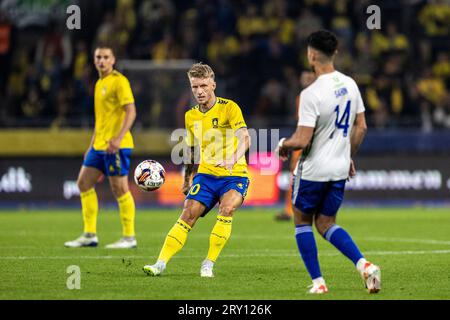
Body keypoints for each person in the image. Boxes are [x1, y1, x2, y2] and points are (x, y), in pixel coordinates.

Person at [275, 30, 381, 294]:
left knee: (302, 222)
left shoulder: (311, 93)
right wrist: (348, 157)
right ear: (335, 52)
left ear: (311, 55)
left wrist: (283, 145)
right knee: (326, 223)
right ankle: (364, 265)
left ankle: (319, 283)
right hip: (337, 169)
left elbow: (302, 138)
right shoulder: (351, 84)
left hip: (312, 170)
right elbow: (362, 127)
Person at [143, 63, 251, 277]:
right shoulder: (190, 116)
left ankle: (208, 263)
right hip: (206, 175)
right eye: (194, 87)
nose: (199, 91)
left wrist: (232, 158)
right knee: (187, 214)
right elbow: (192, 150)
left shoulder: (229, 107)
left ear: (213, 85)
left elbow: (245, 137)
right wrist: (187, 177)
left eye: (203, 85)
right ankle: (160, 264)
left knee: (227, 208)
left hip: (234, 175)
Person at [65, 45, 138, 249]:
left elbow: (131, 112)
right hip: (99, 146)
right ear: (94, 59)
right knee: (83, 183)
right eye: (98, 57)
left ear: (113, 59)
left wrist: (117, 138)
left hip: (117, 145)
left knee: (119, 188)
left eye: (106, 57)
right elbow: (100, 120)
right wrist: (91, 145)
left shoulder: (119, 82)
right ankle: (89, 234)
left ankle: (129, 237)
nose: (102, 60)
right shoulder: (99, 83)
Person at [275, 70, 315, 221]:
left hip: (309, 140)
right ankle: (290, 209)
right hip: (306, 140)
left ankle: (300, 209)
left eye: (309, 78)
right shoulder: (302, 97)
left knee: (300, 175)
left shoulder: (309, 97)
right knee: (295, 175)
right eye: (303, 78)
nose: (305, 80)